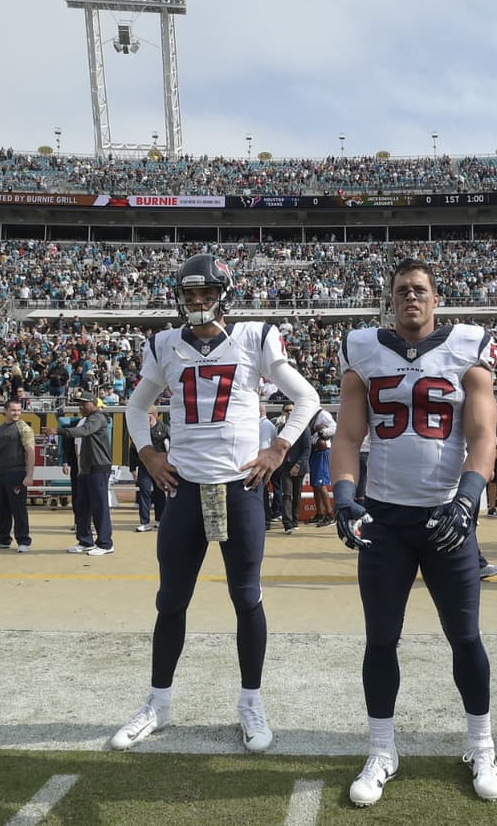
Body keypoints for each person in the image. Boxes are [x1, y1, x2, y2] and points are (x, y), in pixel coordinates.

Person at [110, 253, 320, 753]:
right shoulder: (163, 344)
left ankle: (251, 703)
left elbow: (307, 398)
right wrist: (148, 455)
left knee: (246, 598)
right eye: (189, 295)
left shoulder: (253, 337)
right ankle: (158, 703)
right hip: (184, 490)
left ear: (222, 295)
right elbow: (136, 407)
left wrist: (277, 448)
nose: (197, 302)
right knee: (171, 601)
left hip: (239, 488)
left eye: (205, 294)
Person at [330, 258, 497, 806]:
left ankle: (482, 743)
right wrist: (342, 496)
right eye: (403, 290)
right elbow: (348, 432)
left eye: (421, 290)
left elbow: (484, 431)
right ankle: (382, 748)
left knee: (466, 636)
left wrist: (469, 499)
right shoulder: (362, 348)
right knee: (381, 638)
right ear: (391, 298)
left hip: (445, 516)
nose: (412, 298)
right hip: (384, 519)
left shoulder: (468, 347)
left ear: (436, 300)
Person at [52, 392, 114, 555]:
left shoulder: (97, 417)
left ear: (94, 403)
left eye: (84, 404)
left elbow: (84, 431)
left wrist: (59, 431)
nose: (80, 407)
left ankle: (106, 544)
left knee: (99, 507)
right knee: (82, 506)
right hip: (86, 469)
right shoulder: (88, 418)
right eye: (79, 404)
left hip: (98, 467)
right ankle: (85, 541)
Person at [0, 399, 35, 552]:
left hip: (17, 473)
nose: (16, 413)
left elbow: (30, 452)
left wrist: (29, 475)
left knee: (18, 509)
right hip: (0, 473)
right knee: (2, 508)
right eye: (13, 410)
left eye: (19, 410)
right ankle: (2, 539)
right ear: (5, 411)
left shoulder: (23, 428)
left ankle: (23, 541)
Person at [131, 407, 170, 532]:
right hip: (144, 465)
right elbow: (133, 449)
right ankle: (144, 522)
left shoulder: (164, 428)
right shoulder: (141, 431)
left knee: (160, 492)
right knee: (144, 491)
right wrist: (132, 468)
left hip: (160, 466)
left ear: (153, 414)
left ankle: (160, 520)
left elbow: (172, 447)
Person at [276, 400, 311, 535]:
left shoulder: (305, 428)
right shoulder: (280, 428)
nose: (290, 412)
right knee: (287, 495)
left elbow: (307, 449)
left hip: (299, 466)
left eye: (292, 410)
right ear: (283, 412)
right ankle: (287, 523)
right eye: (287, 410)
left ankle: (294, 520)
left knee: (297, 495)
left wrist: (297, 465)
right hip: (285, 466)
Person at [308, 408, 337, 526]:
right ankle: (319, 514)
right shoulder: (311, 414)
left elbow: (335, 428)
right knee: (315, 484)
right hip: (315, 451)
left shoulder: (323, 414)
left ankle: (330, 515)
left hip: (322, 450)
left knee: (320, 483)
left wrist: (321, 432)